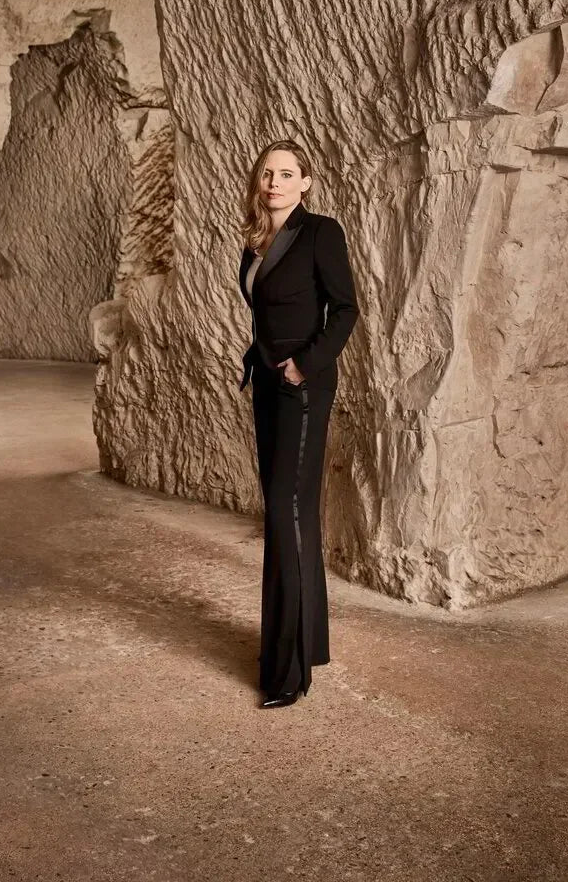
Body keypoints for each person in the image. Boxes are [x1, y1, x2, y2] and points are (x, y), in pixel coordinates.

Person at [238, 139, 359, 709]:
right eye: (268, 173)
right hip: (266, 385)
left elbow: (346, 308)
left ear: (305, 182)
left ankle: (287, 673)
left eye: (287, 174)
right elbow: (266, 312)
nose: (275, 182)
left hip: (303, 385)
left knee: (285, 514)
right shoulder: (257, 240)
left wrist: (303, 364)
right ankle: (308, 645)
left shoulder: (321, 232)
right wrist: (261, 362)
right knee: (291, 510)